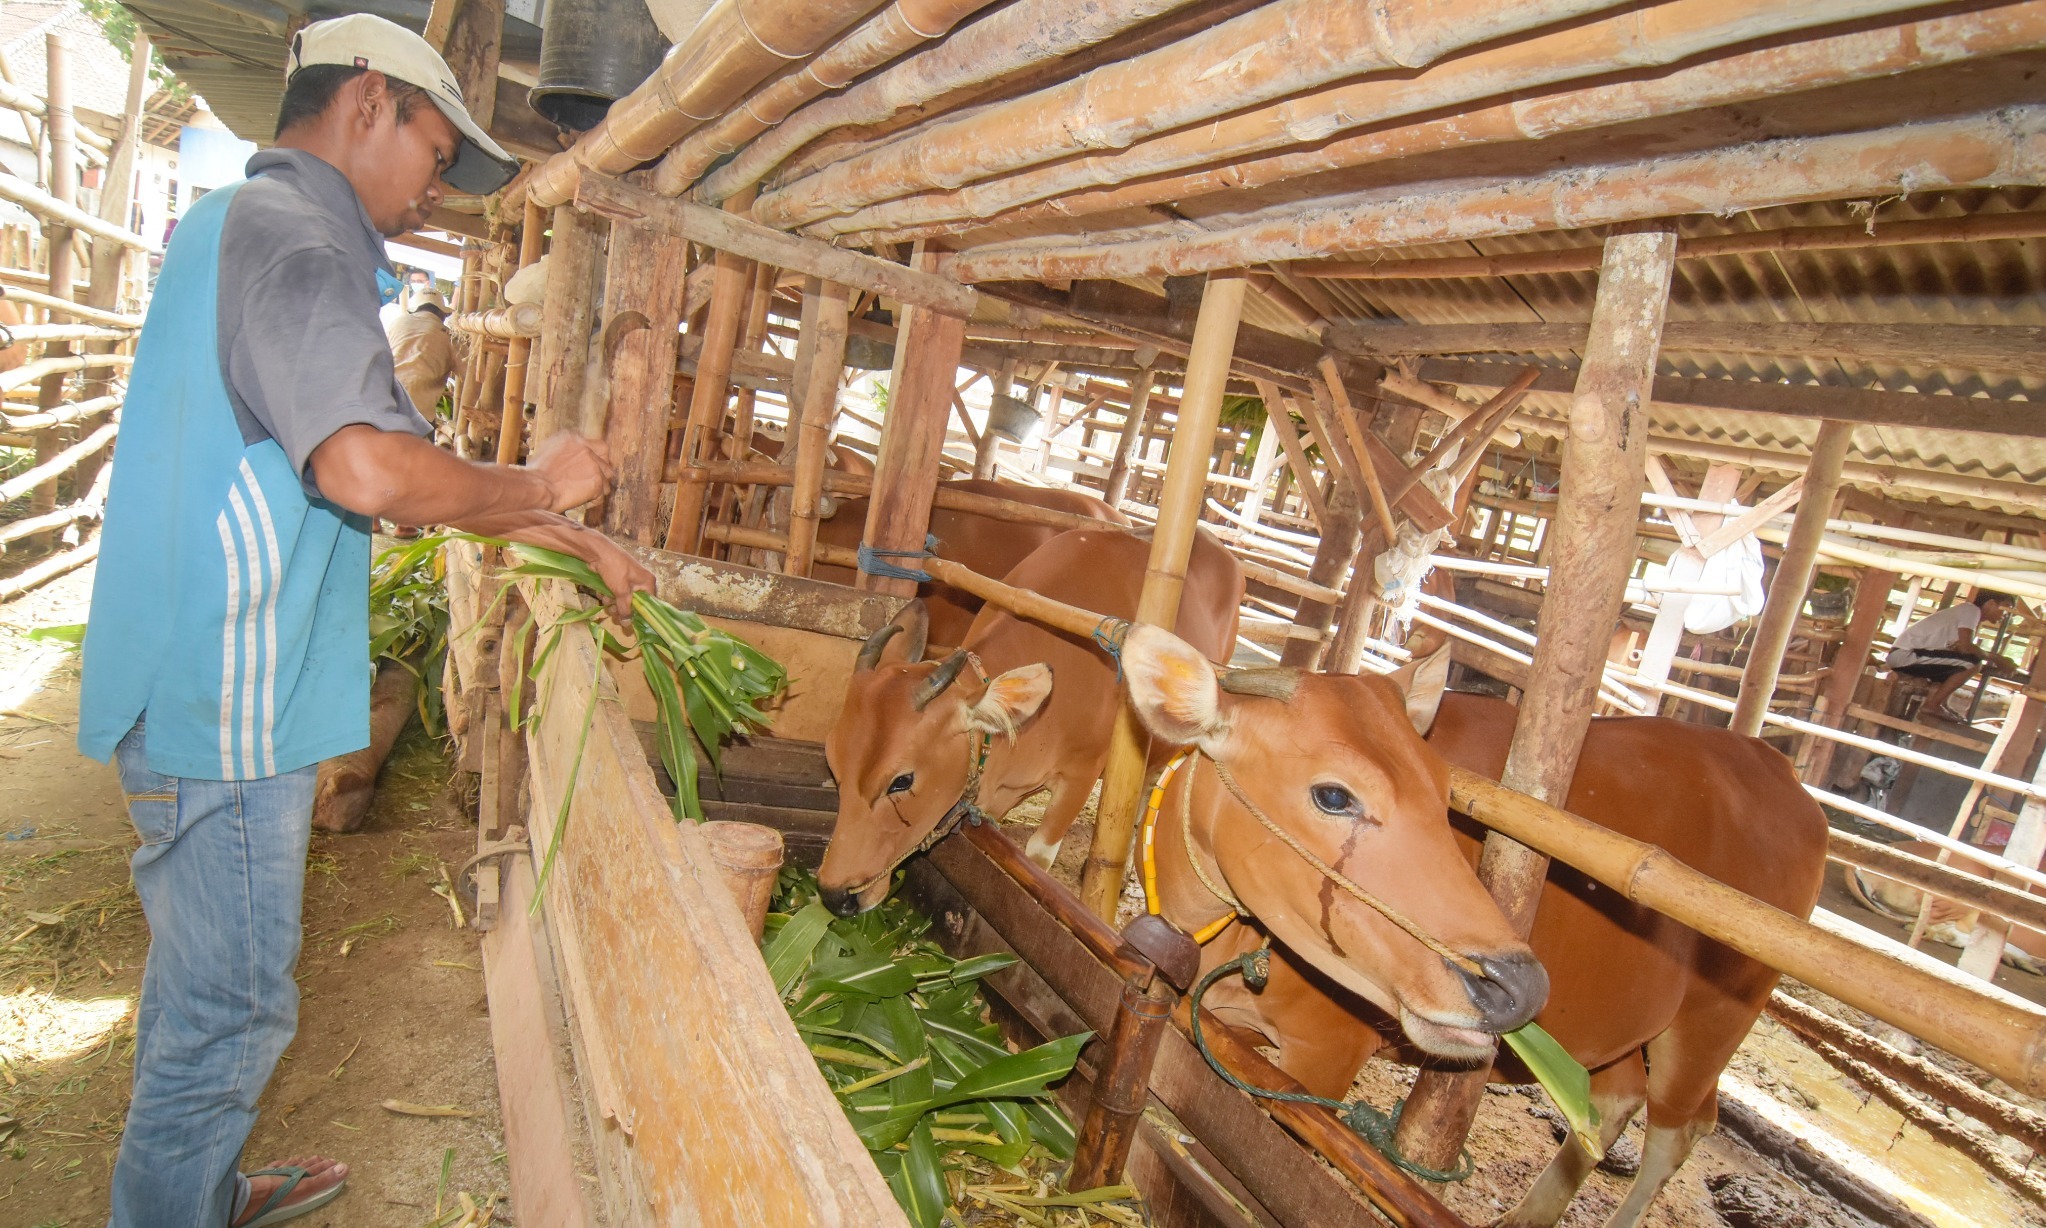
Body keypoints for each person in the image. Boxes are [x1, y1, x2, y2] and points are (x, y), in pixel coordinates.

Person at [76, 15, 654, 1227]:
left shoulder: (253, 226)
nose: (433, 190)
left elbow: (407, 466)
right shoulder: (297, 242)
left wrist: (566, 535)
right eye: (436, 154)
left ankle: (202, 1188)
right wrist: (547, 484)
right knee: (229, 1012)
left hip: (196, 679)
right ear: (365, 107)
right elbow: (368, 475)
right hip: (224, 706)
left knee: (205, 993)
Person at [1885, 590, 2018, 722]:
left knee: (1961, 664)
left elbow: (1961, 649)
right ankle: (1933, 705)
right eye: (2006, 608)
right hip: (1905, 655)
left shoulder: (1969, 616)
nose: (2006, 615)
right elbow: (1966, 648)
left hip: (1908, 656)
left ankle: (1940, 703)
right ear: (1991, 603)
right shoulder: (1971, 610)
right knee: (1973, 664)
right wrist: (1997, 659)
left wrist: (1995, 658)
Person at [385, 284, 456, 417]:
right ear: (443, 314)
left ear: (415, 310)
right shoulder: (449, 335)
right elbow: (469, 375)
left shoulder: (397, 323)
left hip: (386, 394)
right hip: (418, 410)